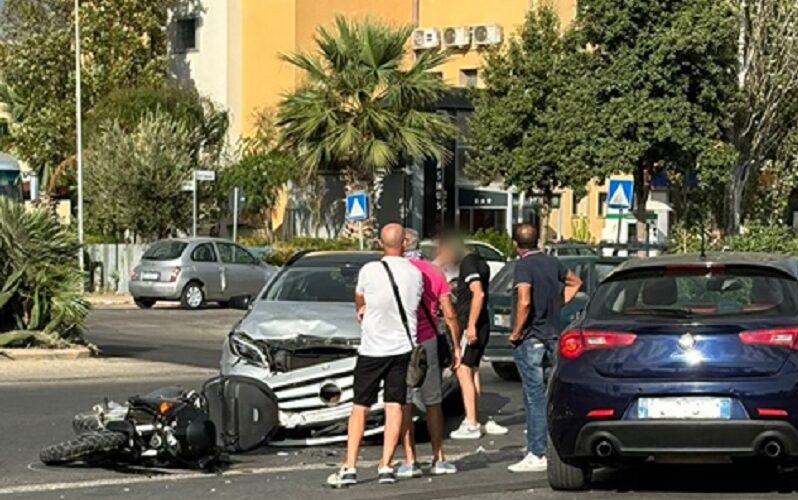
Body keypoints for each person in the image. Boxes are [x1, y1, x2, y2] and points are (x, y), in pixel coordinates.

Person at [326, 223, 423, 487]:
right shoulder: (415, 274)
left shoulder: (369, 271)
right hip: (403, 347)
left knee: (360, 407)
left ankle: (350, 466)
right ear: (405, 243)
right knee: (395, 406)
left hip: (372, 348)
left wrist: (362, 309)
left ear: (380, 244)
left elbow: (359, 296)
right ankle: (386, 466)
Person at [507, 223, 582, 472]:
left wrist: (516, 332)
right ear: (537, 240)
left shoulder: (523, 265)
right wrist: (557, 305)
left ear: (516, 245)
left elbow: (525, 301)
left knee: (534, 397)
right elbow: (575, 282)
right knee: (548, 396)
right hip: (552, 335)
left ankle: (536, 452)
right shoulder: (552, 262)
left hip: (531, 337)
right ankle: (545, 445)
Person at [396, 229, 461, 478]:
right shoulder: (433, 271)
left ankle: (410, 459)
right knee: (433, 400)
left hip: (401, 341)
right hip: (428, 339)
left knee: (405, 400)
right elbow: (449, 313)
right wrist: (455, 346)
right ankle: (438, 456)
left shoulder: (394, 271)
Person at [445, 237, 508, 440]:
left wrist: (470, 324)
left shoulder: (468, 263)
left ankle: (471, 422)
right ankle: (474, 418)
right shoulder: (481, 262)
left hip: (470, 324)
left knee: (463, 371)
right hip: (482, 324)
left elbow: (478, 294)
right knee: (472, 372)